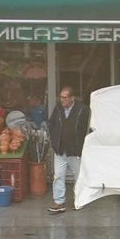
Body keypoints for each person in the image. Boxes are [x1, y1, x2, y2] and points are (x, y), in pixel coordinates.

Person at [46, 85, 90, 214]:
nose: (62, 100)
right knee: (58, 176)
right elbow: (51, 123)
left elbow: (87, 128)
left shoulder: (83, 109)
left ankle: (79, 200)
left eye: (65, 98)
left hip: (75, 150)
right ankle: (59, 202)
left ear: (72, 98)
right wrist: (54, 140)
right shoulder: (58, 108)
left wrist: (82, 144)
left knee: (79, 177)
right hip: (60, 149)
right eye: (61, 97)